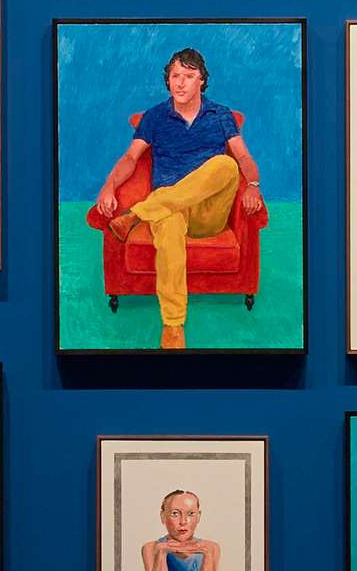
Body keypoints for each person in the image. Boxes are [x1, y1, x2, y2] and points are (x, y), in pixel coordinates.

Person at [85, 47, 258, 349]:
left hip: (208, 213)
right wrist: (108, 186)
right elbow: (130, 158)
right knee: (169, 222)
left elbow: (243, 157)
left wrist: (253, 184)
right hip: (169, 209)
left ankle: (138, 212)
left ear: (202, 80)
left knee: (225, 164)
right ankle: (174, 327)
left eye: (188, 76)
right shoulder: (154, 117)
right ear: (168, 80)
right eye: (175, 76)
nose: (180, 83)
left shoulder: (221, 115)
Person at [142, 489, 220, 571]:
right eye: (175, 514)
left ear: (198, 517)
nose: (183, 521)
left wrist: (207, 555)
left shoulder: (211, 548)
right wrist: (161, 553)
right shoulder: (151, 548)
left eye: (191, 514)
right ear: (163, 516)